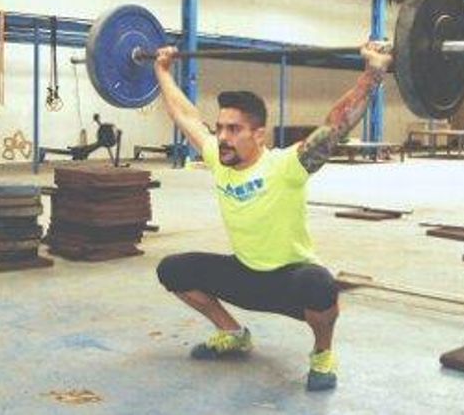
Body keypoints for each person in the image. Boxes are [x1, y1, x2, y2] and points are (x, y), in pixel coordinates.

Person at [154, 42, 393, 392]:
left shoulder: (286, 165)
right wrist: (162, 70)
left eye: (234, 129)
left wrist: (373, 73)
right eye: (220, 128)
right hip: (244, 273)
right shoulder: (219, 159)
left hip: (289, 281)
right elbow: (186, 116)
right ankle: (233, 333)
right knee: (172, 270)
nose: (222, 138)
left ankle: (322, 354)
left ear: (259, 135)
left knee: (321, 286)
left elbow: (336, 125)